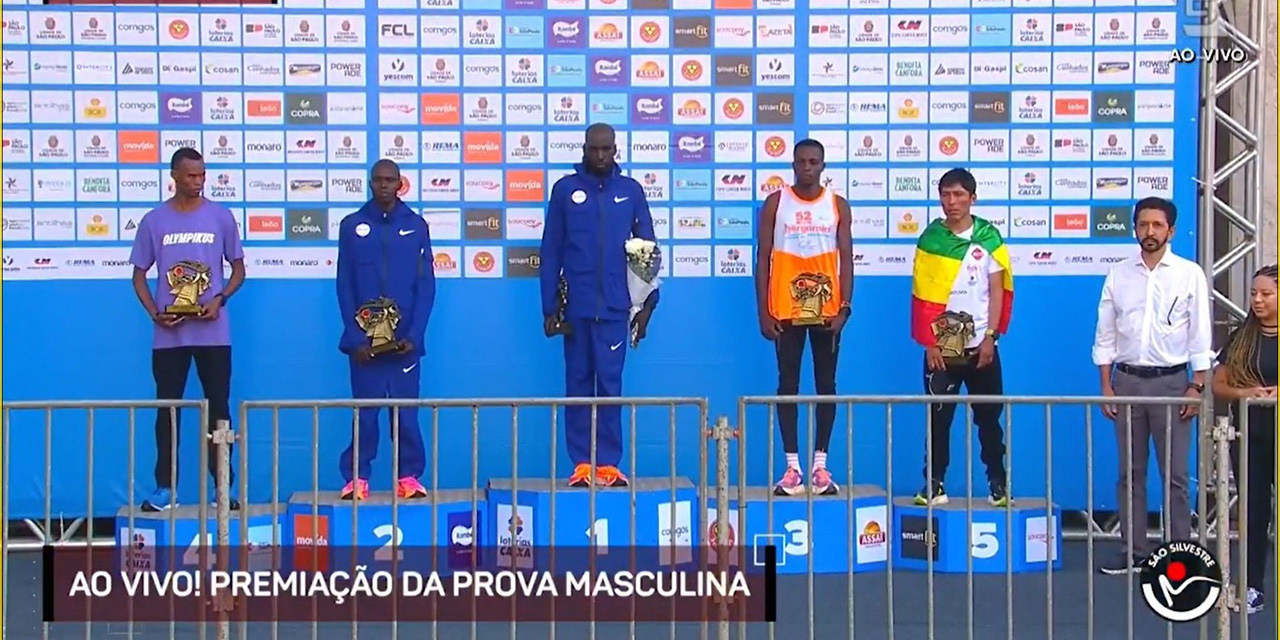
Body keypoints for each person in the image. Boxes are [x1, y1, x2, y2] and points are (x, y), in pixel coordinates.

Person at [1092, 196, 1213, 575]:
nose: (1149, 232)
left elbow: (1200, 334)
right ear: (1134, 229)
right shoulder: (1119, 274)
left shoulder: (1189, 273)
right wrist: (1106, 387)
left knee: (1175, 475)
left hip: (1173, 383)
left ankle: (1178, 552)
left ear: (1171, 230)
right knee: (1130, 474)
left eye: (1157, 225)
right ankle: (1134, 552)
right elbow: (1105, 334)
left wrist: (1196, 386)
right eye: (1143, 225)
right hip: (1127, 382)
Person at [540, 123, 659, 488]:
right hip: (576, 307)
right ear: (584, 149)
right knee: (577, 384)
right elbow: (551, 250)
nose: (601, 156)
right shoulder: (565, 190)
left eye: (607, 149)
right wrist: (549, 308)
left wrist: (647, 305)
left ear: (616, 150)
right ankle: (581, 464)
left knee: (609, 384)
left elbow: (646, 251)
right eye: (594, 149)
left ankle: (607, 463)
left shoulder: (631, 191)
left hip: (614, 307)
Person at [129, 147, 246, 512]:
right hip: (170, 336)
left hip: (213, 333)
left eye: (202, 175)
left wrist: (220, 299)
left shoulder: (221, 217)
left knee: (219, 411)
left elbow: (239, 270)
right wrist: (155, 313)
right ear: (174, 176)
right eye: (191, 176)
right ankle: (165, 488)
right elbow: (138, 275)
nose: (198, 182)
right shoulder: (154, 220)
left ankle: (222, 489)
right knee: (168, 412)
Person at [909, 168, 1013, 507]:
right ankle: (934, 484)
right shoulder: (931, 238)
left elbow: (997, 291)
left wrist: (990, 337)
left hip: (981, 347)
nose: (951, 202)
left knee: (989, 420)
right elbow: (923, 294)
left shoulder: (988, 237)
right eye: (945, 195)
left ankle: (998, 485)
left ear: (972, 197)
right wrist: (930, 342)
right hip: (943, 349)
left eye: (958, 195)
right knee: (937, 420)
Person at [755, 139, 853, 496]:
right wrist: (763, 311)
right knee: (788, 386)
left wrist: (845, 308)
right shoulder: (776, 203)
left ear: (823, 166)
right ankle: (792, 468)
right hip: (786, 310)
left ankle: (821, 468)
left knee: (826, 385)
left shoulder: (837, 204)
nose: (807, 167)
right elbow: (762, 257)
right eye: (801, 162)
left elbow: (847, 258)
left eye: (814, 162)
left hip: (826, 311)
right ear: (793, 164)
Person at [335, 159, 435, 501]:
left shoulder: (417, 226)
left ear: (400, 184)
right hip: (365, 345)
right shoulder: (352, 226)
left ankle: (408, 477)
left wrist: (415, 336)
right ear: (370, 183)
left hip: (404, 343)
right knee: (365, 414)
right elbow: (344, 286)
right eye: (377, 180)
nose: (383, 186)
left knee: (406, 415)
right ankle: (357, 478)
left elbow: (426, 287)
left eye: (390, 180)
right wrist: (354, 337)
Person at [1212, 265, 1277, 613]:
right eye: (1254, 293)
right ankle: (1251, 586)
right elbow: (1218, 384)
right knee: (1253, 512)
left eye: (1266, 293)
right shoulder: (1241, 338)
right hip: (1251, 435)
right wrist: (1247, 391)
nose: (1257, 300)